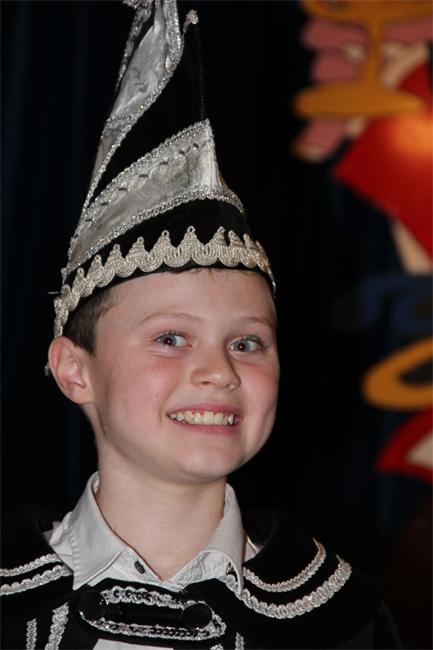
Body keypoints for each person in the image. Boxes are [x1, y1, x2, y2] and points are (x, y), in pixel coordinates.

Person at [1, 1, 402, 648]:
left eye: (247, 342)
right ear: (74, 370)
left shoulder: (340, 619)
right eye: (170, 338)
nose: (218, 371)